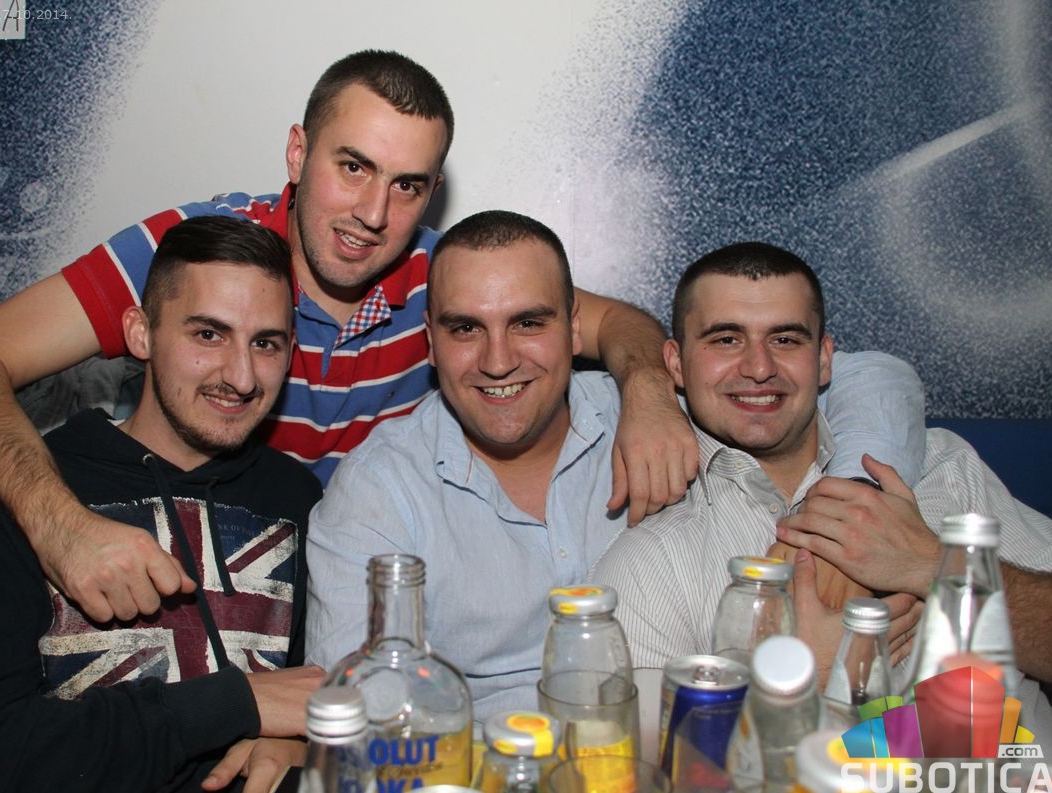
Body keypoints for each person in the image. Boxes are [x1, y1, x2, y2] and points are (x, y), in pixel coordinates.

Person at [0, 50, 923, 628]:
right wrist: (56, 523)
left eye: (406, 185)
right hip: (175, 561)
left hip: (327, 581)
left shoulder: (448, 287)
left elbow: (614, 323)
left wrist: (651, 392)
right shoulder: (198, 252)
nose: (371, 214)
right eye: (351, 167)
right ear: (298, 153)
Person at [304, 214, 922, 723]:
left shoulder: (654, 417)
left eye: (528, 323)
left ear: (575, 328)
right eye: (466, 328)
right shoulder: (378, 493)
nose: (498, 360)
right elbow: (356, 712)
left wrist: (848, 509)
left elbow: (872, 376)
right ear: (431, 343)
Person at [0, 217, 325, 793]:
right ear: (141, 334)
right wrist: (233, 705)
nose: (242, 377)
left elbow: (316, 695)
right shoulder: (12, 491)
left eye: (265, 343)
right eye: (208, 334)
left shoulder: (299, 500)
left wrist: (305, 743)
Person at [591, 241, 1052, 756]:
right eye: (726, 339)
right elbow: (650, 769)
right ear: (676, 364)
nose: (759, 367)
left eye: (785, 339)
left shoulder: (941, 468)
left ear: (823, 360)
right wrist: (800, 686)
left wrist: (935, 564)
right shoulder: (653, 557)